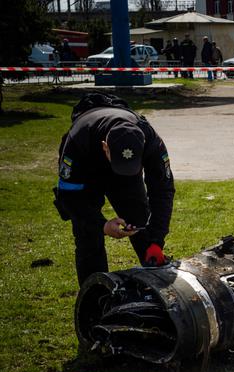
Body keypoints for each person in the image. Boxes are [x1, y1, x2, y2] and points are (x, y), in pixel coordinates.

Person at [54, 93, 175, 285]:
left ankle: (157, 290)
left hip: (127, 182)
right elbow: (70, 198)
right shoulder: (77, 140)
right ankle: (94, 299)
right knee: (88, 239)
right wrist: (100, 225)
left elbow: (163, 190)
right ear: (105, 147)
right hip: (87, 172)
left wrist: (156, 240)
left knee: (141, 225)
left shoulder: (152, 141)